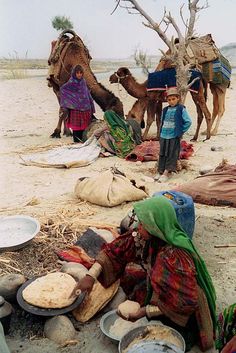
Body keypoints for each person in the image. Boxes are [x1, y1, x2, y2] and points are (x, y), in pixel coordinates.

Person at [72, 196, 216, 351]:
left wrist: (143, 312)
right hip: (167, 288)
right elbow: (115, 251)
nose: (138, 227)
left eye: (143, 224)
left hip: (184, 304)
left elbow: (184, 302)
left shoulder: (174, 256)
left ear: (155, 226)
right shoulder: (146, 237)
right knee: (130, 278)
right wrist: (90, 276)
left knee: (166, 335)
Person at [155, 87, 192, 183]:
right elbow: (161, 122)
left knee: (172, 154)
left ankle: (166, 173)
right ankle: (160, 171)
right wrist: (160, 133)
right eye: (169, 100)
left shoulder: (181, 109)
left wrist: (180, 131)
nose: (171, 101)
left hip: (174, 136)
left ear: (178, 98)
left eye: (173, 99)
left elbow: (188, 122)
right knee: (162, 153)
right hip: (164, 135)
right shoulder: (165, 110)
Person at [60, 64, 95, 142]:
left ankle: (83, 143)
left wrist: (91, 105)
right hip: (75, 110)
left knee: (84, 129)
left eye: (81, 73)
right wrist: (69, 103)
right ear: (74, 73)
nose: (79, 75)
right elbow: (63, 89)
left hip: (86, 109)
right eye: (77, 73)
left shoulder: (83, 81)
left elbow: (87, 94)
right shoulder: (71, 82)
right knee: (76, 130)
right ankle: (76, 143)